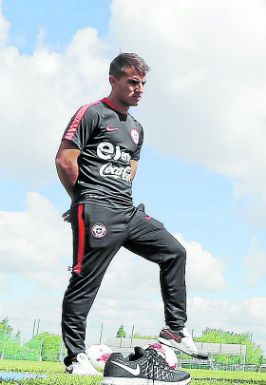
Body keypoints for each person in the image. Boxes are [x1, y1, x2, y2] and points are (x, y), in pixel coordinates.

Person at [55, 53, 198, 375]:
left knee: (174, 252)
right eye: (133, 82)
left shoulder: (136, 128)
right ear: (114, 80)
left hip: (127, 211)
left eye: (143, 83)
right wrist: (83, 201)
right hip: (97, 209)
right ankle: (75, 357)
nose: (139, 89)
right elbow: (65, 160)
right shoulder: (92, 113)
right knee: (85, 280)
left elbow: (130, 170)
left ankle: (175, 329)